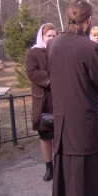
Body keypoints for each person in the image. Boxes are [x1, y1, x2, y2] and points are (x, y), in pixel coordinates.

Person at [47, 0, 98, 196]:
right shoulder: (90, 48)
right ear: (89, 20)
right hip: (83, 119)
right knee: (84, 169)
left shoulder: (53, 44)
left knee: (65, 166)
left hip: (62, 116)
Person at [26, 23, 58, 182]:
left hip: (60, 98)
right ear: (42, 36)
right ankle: (48, 166)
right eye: (49, 36)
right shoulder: (34, 52)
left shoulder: (60, 51)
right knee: (45, 135)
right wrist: (51, 79)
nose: (51, 38)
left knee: (60, 135)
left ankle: (60, 165)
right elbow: (32, 72)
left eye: (54, 36)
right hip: (43, 98)